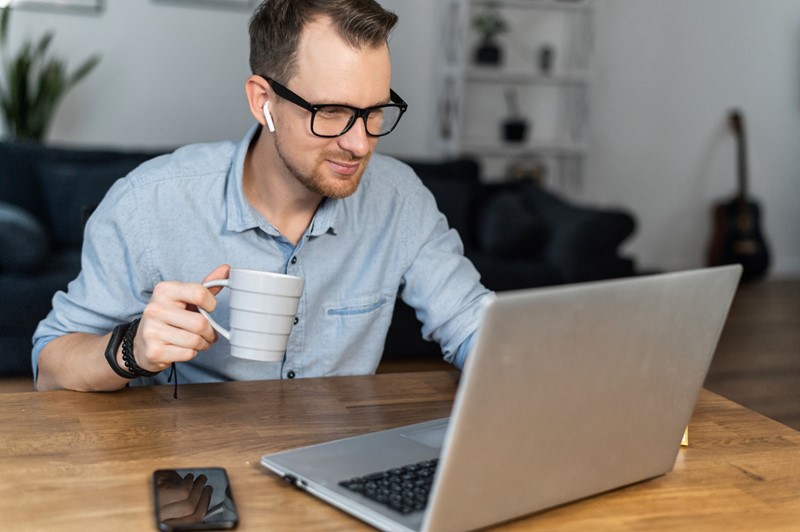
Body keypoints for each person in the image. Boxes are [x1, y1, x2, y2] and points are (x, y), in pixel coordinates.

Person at [33, 0, 491, 392]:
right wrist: (130, 349)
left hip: (336, 461)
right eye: (331, 112)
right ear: (262, 101)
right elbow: (50, 366)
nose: (360, 143)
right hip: (197, 475)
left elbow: (473, 326)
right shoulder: (146, 203)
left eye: (374, 112)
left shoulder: (400, 200)